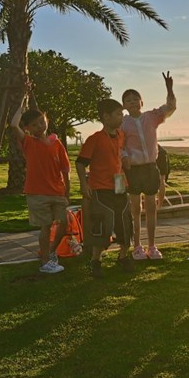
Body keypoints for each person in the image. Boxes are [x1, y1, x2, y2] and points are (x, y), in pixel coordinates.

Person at [10, 83, 68, 274]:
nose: (39, 126)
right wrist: (23, 100)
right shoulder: (28, 142)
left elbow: (65, 169)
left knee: (64, 224)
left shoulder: (56, 143)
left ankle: (50, 251)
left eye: (41, 122)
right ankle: (45, 262)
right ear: (27, 128)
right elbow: (13, 124)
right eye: (34, 125)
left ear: (46, 121)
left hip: (57, 191)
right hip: (37, 193)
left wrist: (67, 190)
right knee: (45, 227)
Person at [121, 72, 176, 261]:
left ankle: (152, 246)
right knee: (135, 209)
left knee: (151, 208)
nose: (132, 102)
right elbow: (120, 146)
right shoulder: (123, 123)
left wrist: (169, 89)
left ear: (141, 102)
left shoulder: (151, 117)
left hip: (151, 167)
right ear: (124, 105)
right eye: (128, 100)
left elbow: (170, 108)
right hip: (133, 170)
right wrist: (125, 158)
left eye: (135, 99)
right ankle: (137, 246)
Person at [76, 99, 133, 278]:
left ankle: (123, 256)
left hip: (119, 184)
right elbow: (80, 163)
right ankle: (96, 261)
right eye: (118, 114)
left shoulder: (121, 135)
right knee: (102, 222)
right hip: (100, 187)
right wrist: (84, 185)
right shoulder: (95, 139)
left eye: (122, 114)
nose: (121, 117)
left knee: (124, 220)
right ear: (106, 117)